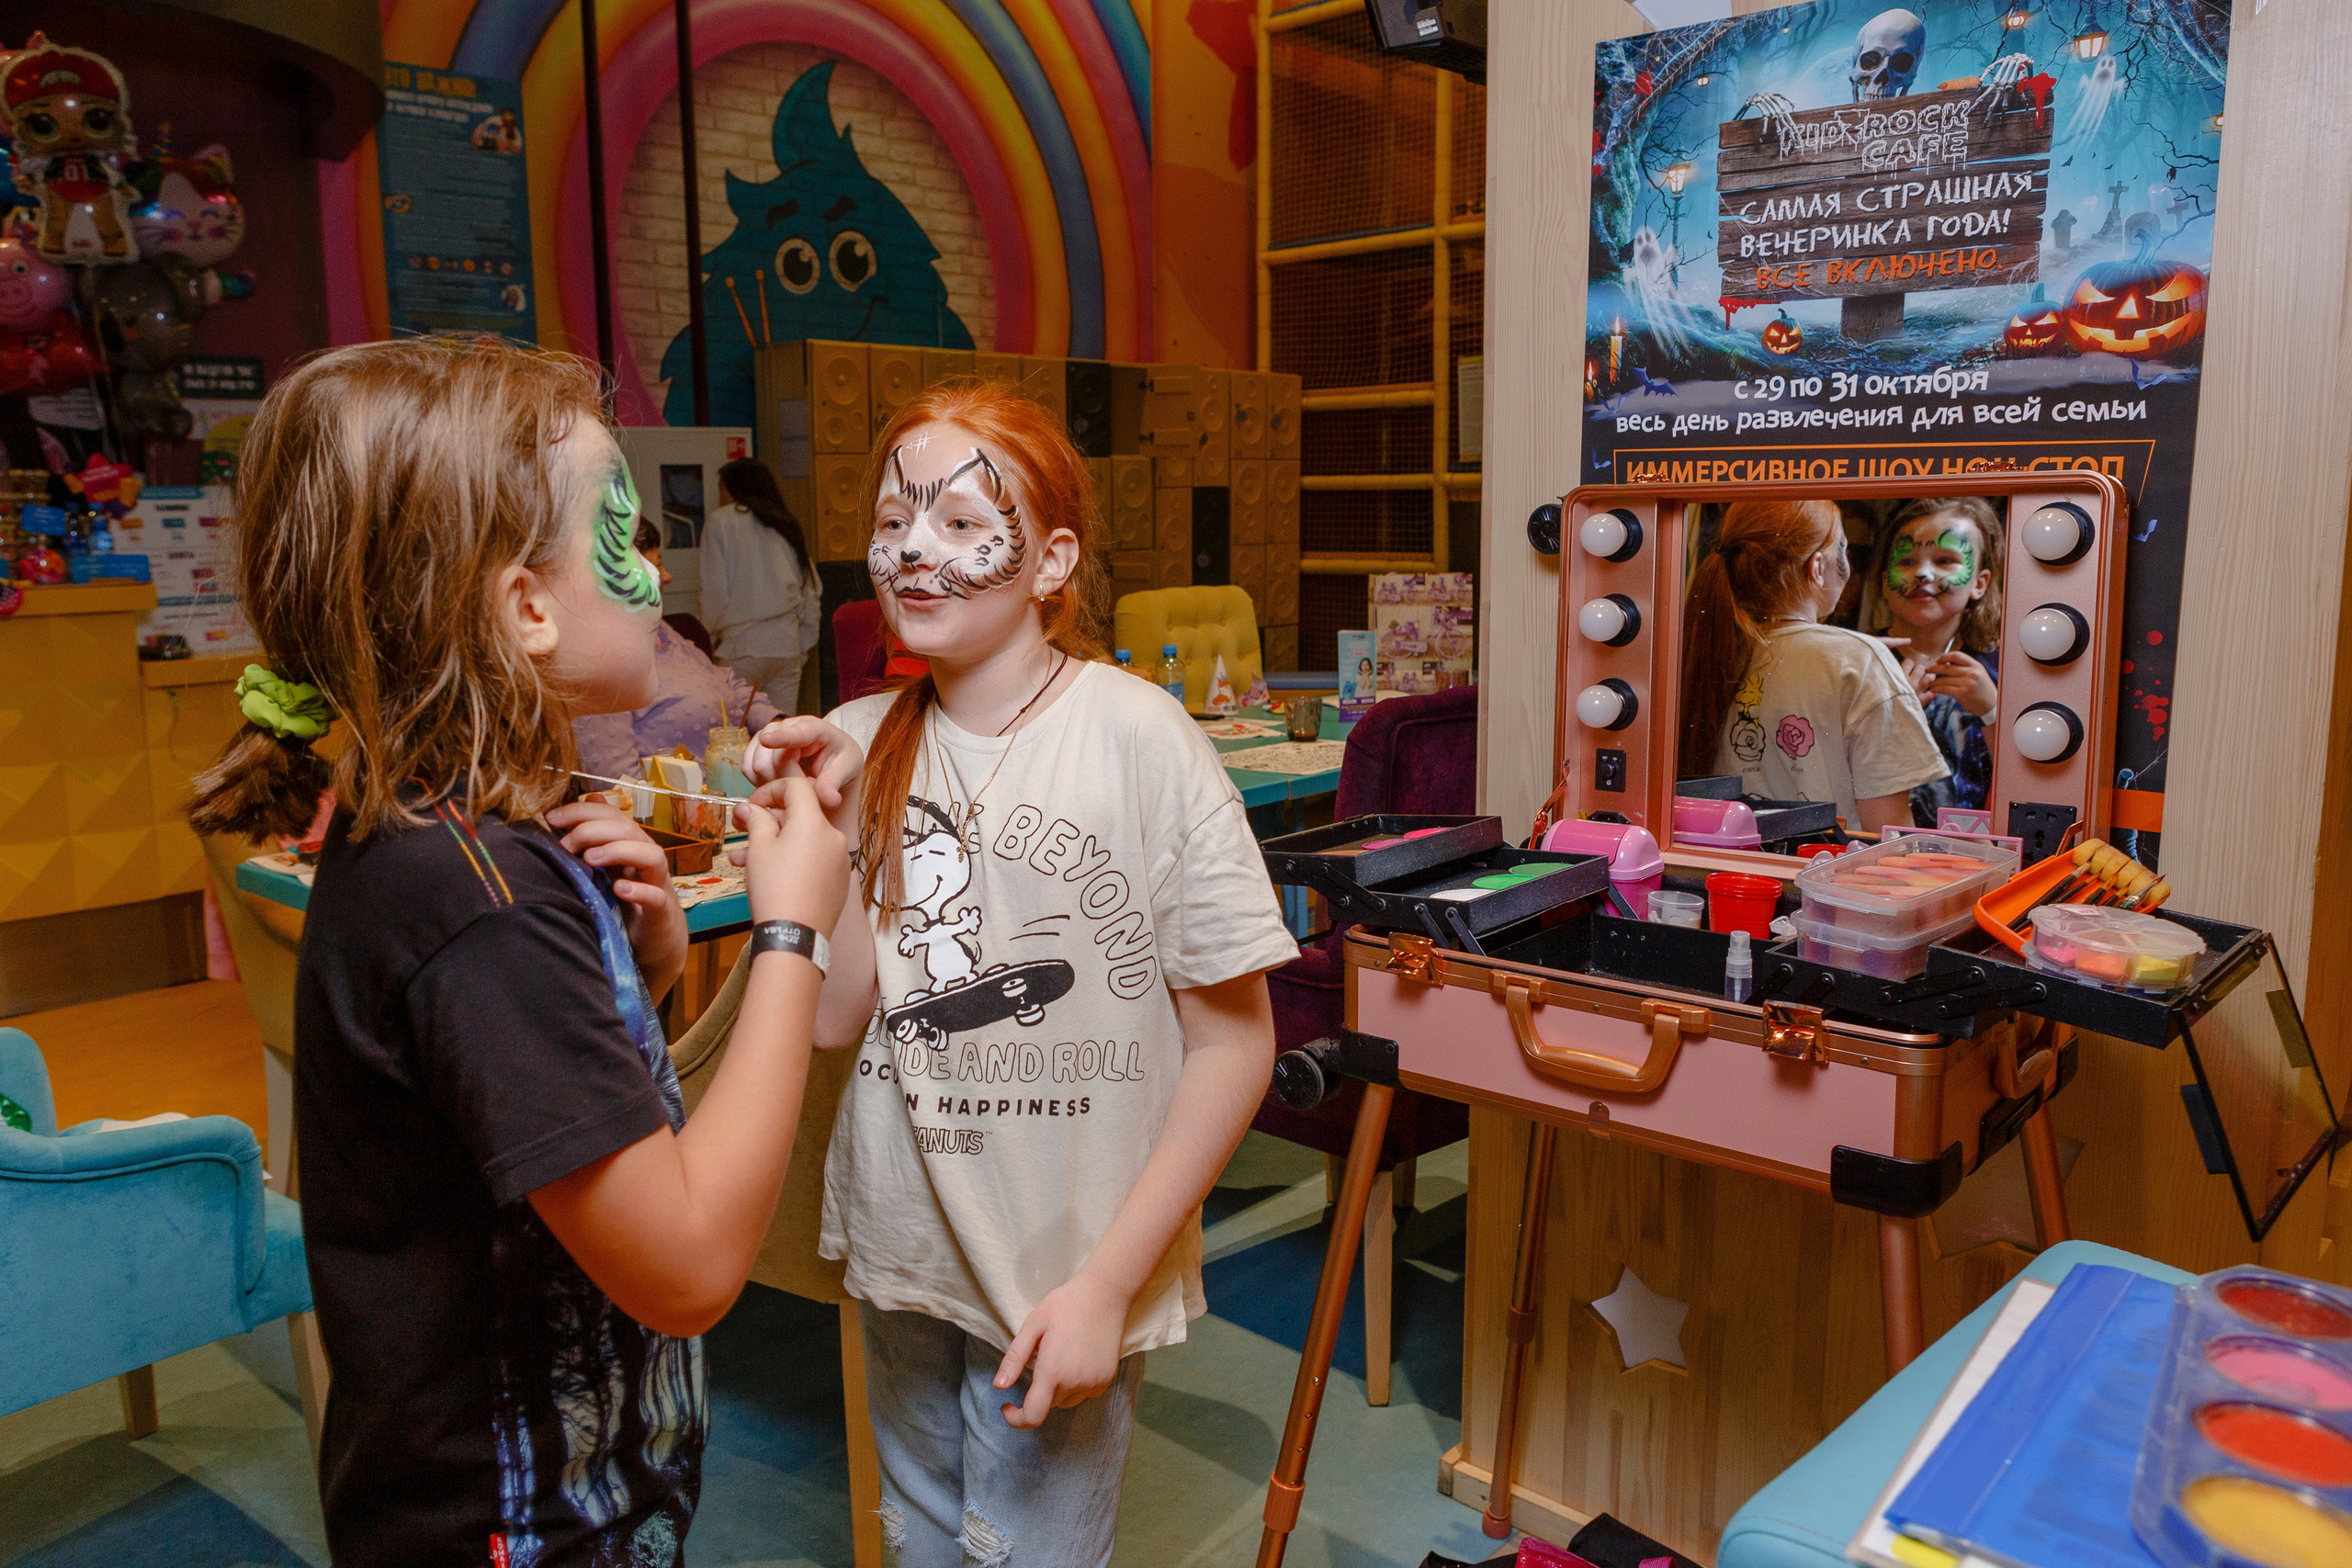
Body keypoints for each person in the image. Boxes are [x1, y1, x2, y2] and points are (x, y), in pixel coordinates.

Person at [185, 337, 849, 1565]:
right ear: (525, 607)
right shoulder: (481, 896)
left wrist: (632, 973)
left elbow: (490, 1115)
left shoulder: (448, 838)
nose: (652, 570)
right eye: (623, 533)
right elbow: (692, 1264)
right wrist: (789, 928)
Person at [737, 382, 1298, 1563]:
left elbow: (1237, 1043)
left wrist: (1106, 1288)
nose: (912, 555)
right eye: (894, 523)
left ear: (1049, 561)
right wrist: (805, 858)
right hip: (903, 1245)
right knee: (926, 1543)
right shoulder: (860, 732)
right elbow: (839, 1019)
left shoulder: (1141, 736)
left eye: (956, 523)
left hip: (1064, 1266)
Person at [1679, 497, 1947, 833]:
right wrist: (1880, 686)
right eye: (1844, 551)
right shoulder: (1860, 660)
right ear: (1818, 567)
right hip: (1823, 878)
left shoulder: (1706, 649)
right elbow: (1889, 836)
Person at [572, 514, 779, 782]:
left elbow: (722, 679)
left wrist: (776, 725)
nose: (667, 577)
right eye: (655, 568)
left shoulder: (663, 630)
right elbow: (619, 787)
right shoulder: (600, 668)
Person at [1867, 496, 2004, 826]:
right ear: (1885, 582)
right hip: (1873, 847)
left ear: (1980, 583)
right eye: (1907, 562)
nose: (1924, 574)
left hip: (1975, 853)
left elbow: (2037, 780)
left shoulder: (2007, 668)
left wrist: (1992, 711)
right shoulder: (1858, 661)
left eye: (1944, 560)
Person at [702, 457, 822, 716]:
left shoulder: (719, 522)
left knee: (736, 735)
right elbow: (810, 591)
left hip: (742, 648)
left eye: (722, 489)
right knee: (781, 735)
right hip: (786, 646)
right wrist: (801, 645)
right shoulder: (784, 522)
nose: (720, 496)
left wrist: (708, 636)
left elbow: (714, 591)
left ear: (736, 489)